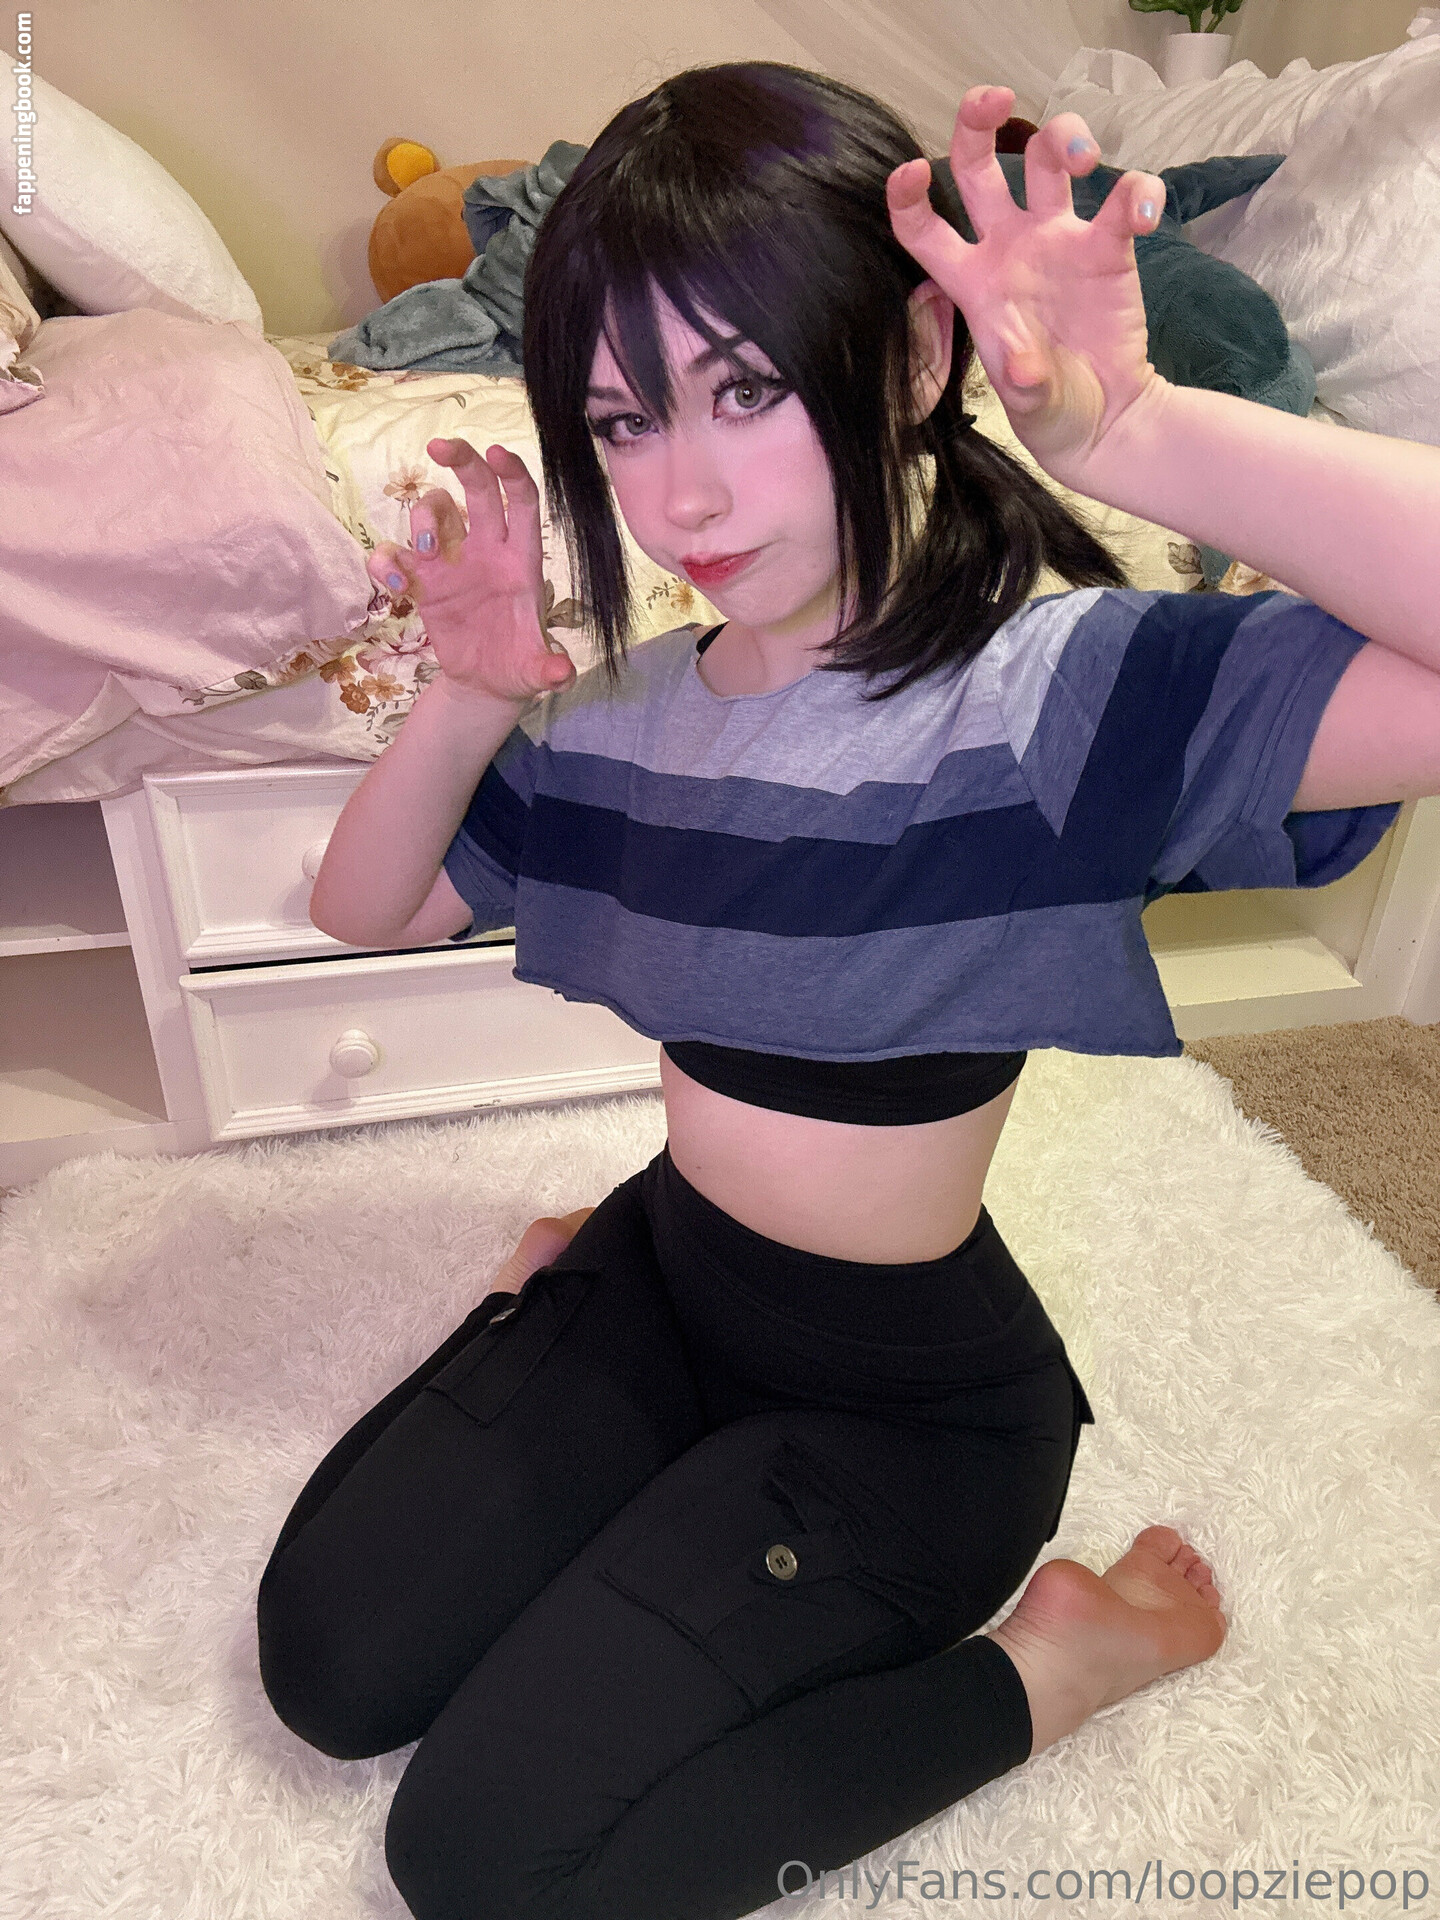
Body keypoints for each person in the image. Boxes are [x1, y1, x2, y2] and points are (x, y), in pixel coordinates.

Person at [256, 62, 1440, 1920]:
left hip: (903, 1416)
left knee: (487, 1867)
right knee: (325, 1671)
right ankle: (555, 1295)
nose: (681, 490)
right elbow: (361, 910)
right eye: (624, 418)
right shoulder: (628, 723)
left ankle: (1056, 1665)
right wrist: (472, 694)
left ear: (910, 360)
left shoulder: (1050, 703)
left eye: (745, 387)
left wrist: (1141, 433)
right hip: (664, 1275)